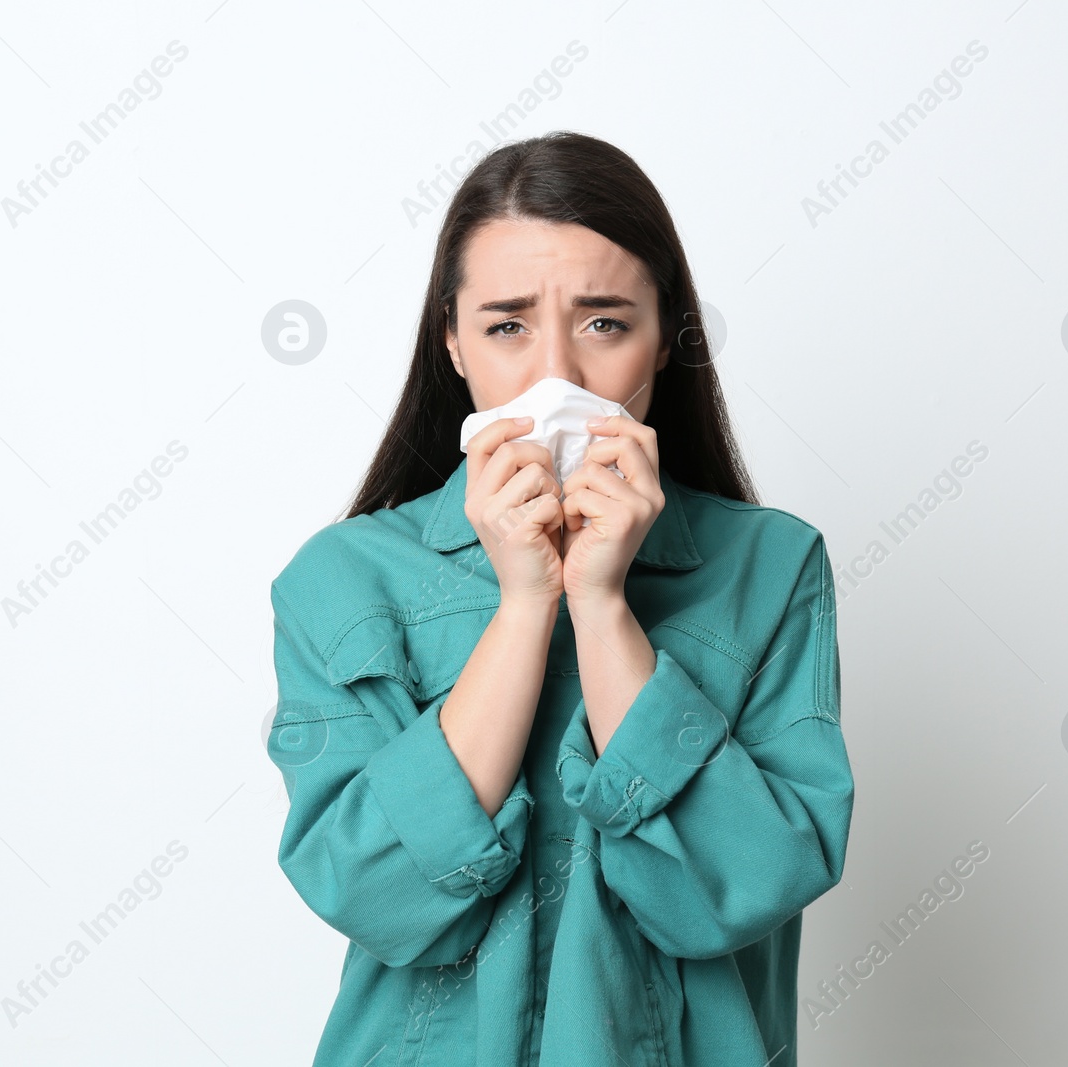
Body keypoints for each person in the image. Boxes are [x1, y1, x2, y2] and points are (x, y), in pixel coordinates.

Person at [266, 130, 854, 1067]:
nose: (558, 381)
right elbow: (372, 891)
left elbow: (746, 883)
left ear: (666, 340)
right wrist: (524, 604)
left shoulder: (772, 567)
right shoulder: (340, 578)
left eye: (604, 323)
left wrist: (605, 603)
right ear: (451, 343)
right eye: (506, 326)